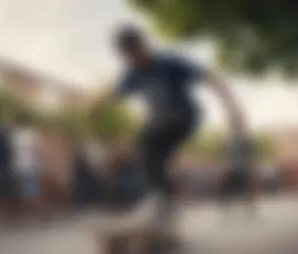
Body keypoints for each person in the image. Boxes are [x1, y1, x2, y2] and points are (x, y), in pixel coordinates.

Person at [91, 25, 245, 230]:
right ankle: (166, 203)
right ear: (124, 56)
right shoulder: (132, 73)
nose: (136, 60)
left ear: (144, 45)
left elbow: (209, 76)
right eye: (130, 57)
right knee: (152, 157)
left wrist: (232, 106)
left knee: (147, 140)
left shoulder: (169, 62)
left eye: (138, 53)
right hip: (160, 123)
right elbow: (114, 93)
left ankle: (160, 199)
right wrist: (96, 107)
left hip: (184, 118)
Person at [220, 123, 256, 216]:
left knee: (245, 187)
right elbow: (226, 154)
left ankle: (249, 206)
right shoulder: (229, 140)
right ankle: (227, 205)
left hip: (242, 166)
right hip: (233, 167)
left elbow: (249, 152)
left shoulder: (244, 139)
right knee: (228, 188)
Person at [12, 124, 42, 219]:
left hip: (19, 166)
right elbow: (37, 151)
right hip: (30, 166)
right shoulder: (31, 136)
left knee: (22, 190)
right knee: (31, 190)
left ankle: (24, 212)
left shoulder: (16, 136)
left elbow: (13, 152)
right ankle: (31, 212)